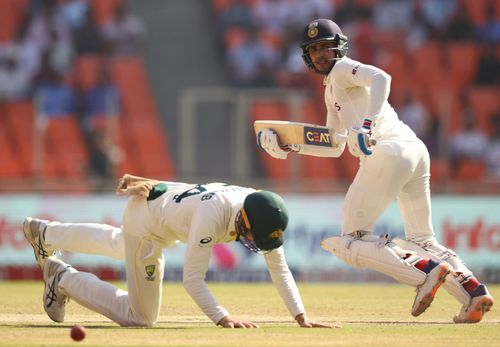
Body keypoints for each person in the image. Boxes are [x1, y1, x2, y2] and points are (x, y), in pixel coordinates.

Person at [256, 18, 494, 323]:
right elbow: (333, 143)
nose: (319, 55)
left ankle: (424, 274)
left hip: (386, 151)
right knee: (422, 239)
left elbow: (382, 76)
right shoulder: (332, 89)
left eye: (325, 48)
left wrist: (366, 124)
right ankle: (472, 292)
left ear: (338, 48)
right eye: (313, 50)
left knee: (349, 239)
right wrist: (291, 145)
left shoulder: (342, 69)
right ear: (306, 56)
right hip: (413, 150)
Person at [23, 174, 332, 329]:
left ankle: (46, 232)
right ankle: (61, 277)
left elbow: (278, 266)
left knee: (120, 244)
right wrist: (223, 318)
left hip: (161, 203)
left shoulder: (256, 205)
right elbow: (192, 280)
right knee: (141, 317)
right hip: (148, 224)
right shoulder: (214, 216)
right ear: (243, 218)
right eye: (252, 234)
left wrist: (300, 316)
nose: (252, 241)